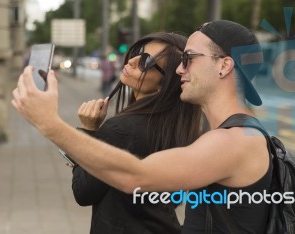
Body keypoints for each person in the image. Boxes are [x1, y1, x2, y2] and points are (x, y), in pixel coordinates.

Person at [12, 20, 272, 233]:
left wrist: (49, 123)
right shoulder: (218, 134)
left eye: (189, 58)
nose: (179, 70)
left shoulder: (234, 141)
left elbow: (135, 177)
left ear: (225, 65)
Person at [72, 32, 202, 233]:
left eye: (145, 61)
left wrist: (89, 132)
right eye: (138, 53)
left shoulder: (120, 129)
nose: (131, 61)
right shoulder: (182, 128)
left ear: (166, 81)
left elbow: (83, 193)